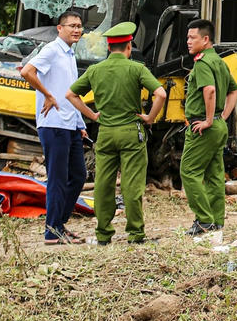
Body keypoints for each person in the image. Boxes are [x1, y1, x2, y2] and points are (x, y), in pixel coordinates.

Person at [66, 22, 167, 245]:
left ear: (109, 48)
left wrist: (92, 116)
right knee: (132, 184)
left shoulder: (95, 70)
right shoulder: (137, 68)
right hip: (132, 132)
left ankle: (103, 234)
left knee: (103, 183)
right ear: (129, 46)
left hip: (106, 134)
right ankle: (136, 234)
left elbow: (70, 95)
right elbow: (161, 93)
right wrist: (150, 117)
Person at [20, 10, 88, 245]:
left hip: (70, 124)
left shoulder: (70, 54)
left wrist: (80, 123)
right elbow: (27, 71)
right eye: (71, 26)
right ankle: (52, 230)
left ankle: (59, 223)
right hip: (53, 124)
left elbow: (70, 92)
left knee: (79, 175)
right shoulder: (52, 50)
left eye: (79, 26)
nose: (77, 29)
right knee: (58, 178)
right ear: (60, 29)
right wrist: (46, 94)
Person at [181, 19, 237, 236]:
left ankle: (204, 220)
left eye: (192, 37)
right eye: (188, 37)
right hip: (218, 125)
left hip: (203, 127)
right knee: (215, 173)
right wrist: (221, 116)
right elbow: (234, 90)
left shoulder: (203, 63)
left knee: (189, 171)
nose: (188, 41)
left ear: (205, 39)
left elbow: (210, 91)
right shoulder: (220, 62)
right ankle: (216, 221)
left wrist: (207, 119)